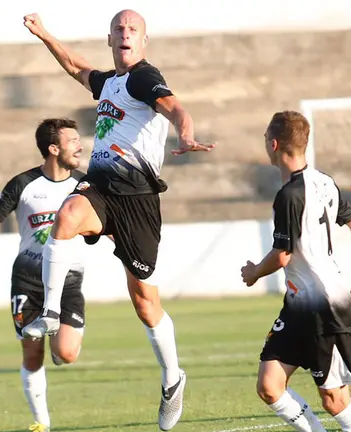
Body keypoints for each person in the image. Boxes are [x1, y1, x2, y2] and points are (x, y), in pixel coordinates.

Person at [20, 10, 215, 431]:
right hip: (103, 188)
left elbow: (174, 106)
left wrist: (184, 131)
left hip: (139, 200)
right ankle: (50, 312)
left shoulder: (145, 77)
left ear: (143, 41)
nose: (125, 34)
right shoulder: (109, 82)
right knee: (67, 215)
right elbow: (75, 66)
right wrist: (45, 34)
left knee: (145, 303)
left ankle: (173, 377)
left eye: (133, 30)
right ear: (109, 38)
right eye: (119, 29)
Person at [0, 118, 87, 432]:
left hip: (69, 280)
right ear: (53, 148)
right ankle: (41, 422)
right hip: (28, 280)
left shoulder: (84, 185)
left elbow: (108, 221)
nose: (80, 146)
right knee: (32, 353)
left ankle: (56, 338)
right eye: (72, 140)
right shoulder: (23, 184)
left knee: (65, 353)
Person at [241, 111, 351, 432]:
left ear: (274, 144)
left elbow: (282, 255)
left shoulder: (289, 195)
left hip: (325, 310)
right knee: (270, 385)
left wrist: (254, 273)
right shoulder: (325, 182)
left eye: (265, 139)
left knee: (334, 400)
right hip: (298, 305)